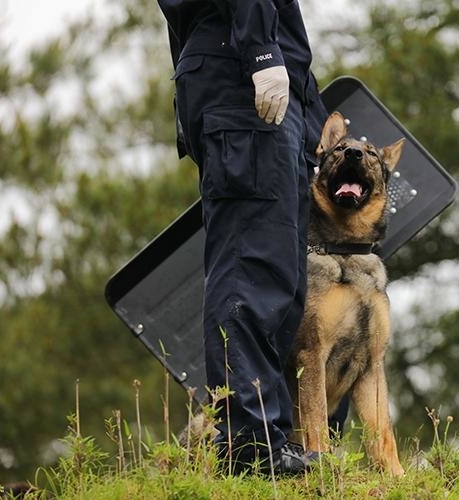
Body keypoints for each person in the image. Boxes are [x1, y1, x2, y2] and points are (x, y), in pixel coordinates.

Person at [156, 0, 345, 475]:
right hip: (242, 78)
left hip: (245, 80)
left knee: (279, 276)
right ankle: (251, 444)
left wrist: (308, 112)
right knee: (252, 268)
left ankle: (266, 437)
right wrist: (261, 52)